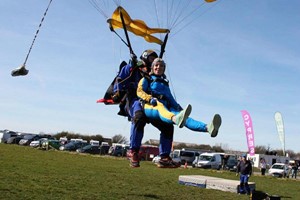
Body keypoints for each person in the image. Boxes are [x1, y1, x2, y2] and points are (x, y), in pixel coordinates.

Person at [112, 50, 180, 168]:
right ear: (144, 58)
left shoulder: (154, 75)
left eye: (154, 59)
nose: (152, 61)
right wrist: (117, 91)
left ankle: (164, 157)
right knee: (139, 117)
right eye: (150, 59)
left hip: (152, 104)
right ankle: (134, 152)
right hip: (135, 100)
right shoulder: (134, 67)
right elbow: (121, 77)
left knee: (167, 126)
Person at [137, 58, 221, 137]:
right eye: (156, 65)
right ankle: (176, 119)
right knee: (160, 106)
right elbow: (139, 91)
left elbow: (170, 98)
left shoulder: (164, 83)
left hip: (166, 108)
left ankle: (208, 128)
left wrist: (178, 107)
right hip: (151, 106)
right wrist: (150, 99)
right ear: (152, 67)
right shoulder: (147, 79)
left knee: (185, 118)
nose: (159, 67)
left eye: (161, 66)